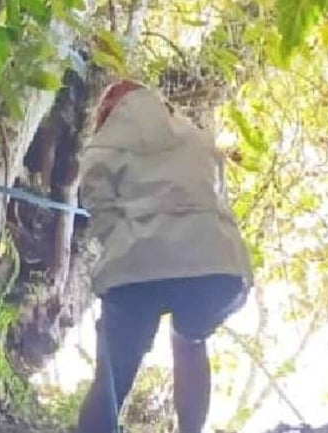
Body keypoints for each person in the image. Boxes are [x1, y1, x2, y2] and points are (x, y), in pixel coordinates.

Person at [76, 79, 253, 433]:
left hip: (137, 267)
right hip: (215, 265)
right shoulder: (197, 139)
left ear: (110, 109)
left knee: (115, 371)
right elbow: (217, 200)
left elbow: (99, 208)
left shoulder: (105, 143)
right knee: (190, 341)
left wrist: (122, 248)